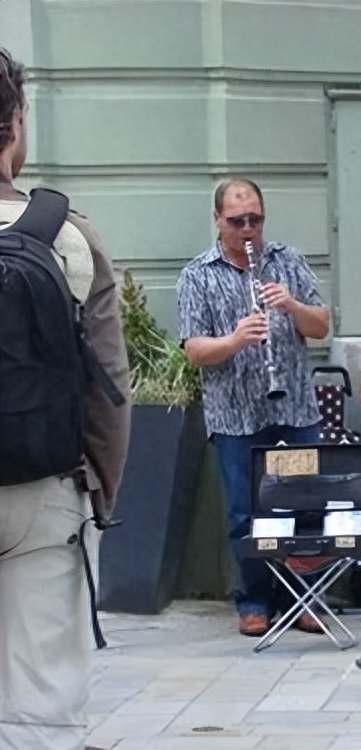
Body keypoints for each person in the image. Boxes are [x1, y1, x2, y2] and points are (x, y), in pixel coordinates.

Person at [0, 47, 131, 750]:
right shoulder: (69, 237)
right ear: (15, 126)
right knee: (39, 711)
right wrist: (99, 499)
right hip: (48, 490)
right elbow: (109, 388)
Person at [177, 178, 331, 637]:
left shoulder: (288, 261)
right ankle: (255, 600)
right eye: (236, 221)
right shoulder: (197, 274)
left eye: (255, 219)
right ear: (218, 220)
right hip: (236, 417)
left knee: (306, 506)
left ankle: (304, 597)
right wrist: (236, 338)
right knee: (247, 514)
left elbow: (321, 324)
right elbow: (194, 349)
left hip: (295, 410)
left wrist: (291, 305)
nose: (248, 229)